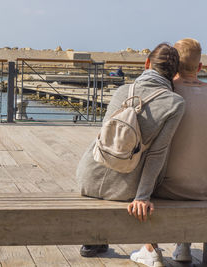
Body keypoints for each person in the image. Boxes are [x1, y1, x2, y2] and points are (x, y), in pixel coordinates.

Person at [76, 43, 185, 266]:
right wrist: (142, 197)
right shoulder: (175, 103)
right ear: (175, 75)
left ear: (147, 64)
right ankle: (155, 245)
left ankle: (94, 239)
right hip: (125, 189)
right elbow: (157, 154)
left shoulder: (122, 90)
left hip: (87, 176)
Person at [149, 38, 207, 263]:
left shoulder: (167, 94)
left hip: (171, 188)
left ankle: (150, 247)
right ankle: (184, 245)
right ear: (200, 67)